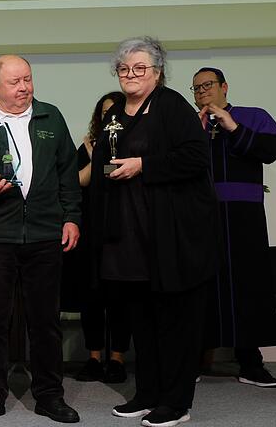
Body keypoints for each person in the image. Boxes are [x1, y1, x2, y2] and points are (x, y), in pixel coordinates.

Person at [90, 37, 219, 427]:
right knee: (141, 322)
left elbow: (196, 157)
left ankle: (176, 402)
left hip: (169, 238)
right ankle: (147, 393)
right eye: (124, 69)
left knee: (174, 323)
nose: (131, 75)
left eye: (140, 68)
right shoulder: (115, 113)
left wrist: (144, 164)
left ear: (158, 72)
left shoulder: (172, 106)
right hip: (127, 240)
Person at [0, 55, 81, 424]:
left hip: (45, 234)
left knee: (45, 320)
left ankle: (49, 396)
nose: (24, 87)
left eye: (27, 79)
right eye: (15, 82)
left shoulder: (50, 117)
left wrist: (72, 217)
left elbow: (67, 172)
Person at [192, 67, 276, 387]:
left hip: (244, 217)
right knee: (201, 285)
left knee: (248, 283)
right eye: (196, 88)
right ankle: (192, 361)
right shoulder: (191, 125)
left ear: (224, 87)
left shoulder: (250, 116)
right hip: (200, 216)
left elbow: (271, 152)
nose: (202, 92)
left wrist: (232, 127)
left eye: (208, 85)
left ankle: (250, 363)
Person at [65, 91, 132, 384]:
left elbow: (126, 174)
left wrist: (104, 164)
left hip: (125, 231)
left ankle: (117, 359)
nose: (109, 116)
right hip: (91, 232)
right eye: (104, 112)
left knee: (120, 298)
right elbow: (77, 180)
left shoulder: (134, 143)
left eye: (114, 111)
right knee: (90, 297)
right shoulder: (88, 146)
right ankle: (93, 358)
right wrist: (96, 158)